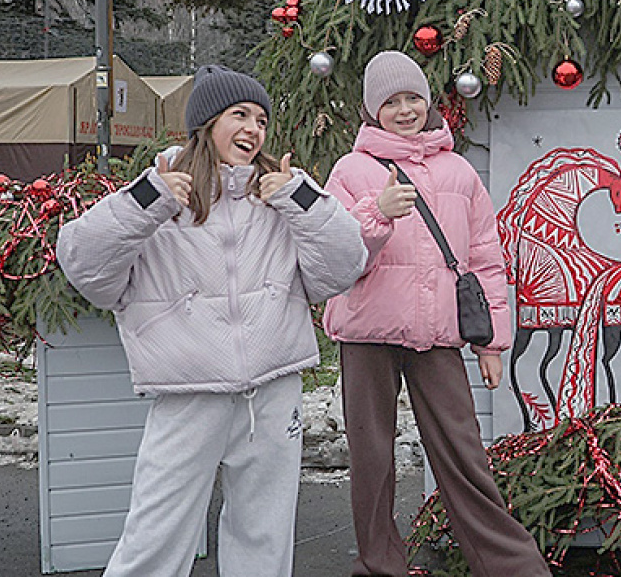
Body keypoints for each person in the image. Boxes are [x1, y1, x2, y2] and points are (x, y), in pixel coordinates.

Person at [56, 65, 367, 576]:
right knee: (156, 538)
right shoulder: (160, 193)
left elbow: (344, 264)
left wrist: (299, 197)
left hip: (272, 392)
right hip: (188, 395)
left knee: (263, 538)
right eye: (239, 114)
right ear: (206, 123)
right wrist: (148, 200)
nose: (253, 129)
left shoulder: (279, 193)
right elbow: (84, 265)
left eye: (261, 119)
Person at [322, 51, 549, 577]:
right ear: (371, 109)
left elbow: (485, 260)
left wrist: (491, 342)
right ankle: (378, 566)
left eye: (412, 98)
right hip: (367, 334)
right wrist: (377, 213)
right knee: (371, 460)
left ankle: (513, 568)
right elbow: (333, 255)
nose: (404, 110)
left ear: (428, 102)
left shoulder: (459, 170)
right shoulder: (352, 170)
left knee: (463, 454)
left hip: (438, 334)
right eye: (391, 101)